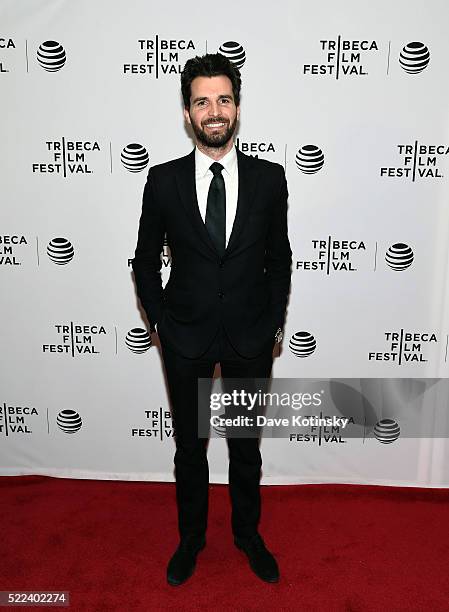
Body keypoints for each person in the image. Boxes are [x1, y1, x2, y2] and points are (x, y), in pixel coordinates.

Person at [132, 53, 292, 585]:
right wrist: (160, 325)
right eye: (202, 101)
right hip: (186, 338)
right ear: (187, 113)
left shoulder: (270, 179)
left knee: (245, 450)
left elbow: (280, 258)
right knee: (189, 451)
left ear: (238, 108)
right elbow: (145, 259)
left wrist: (273, 323)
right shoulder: (163, 181)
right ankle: (191, 540)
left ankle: (248, 536)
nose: (214, 110)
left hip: (249, 338)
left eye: (223, 99)